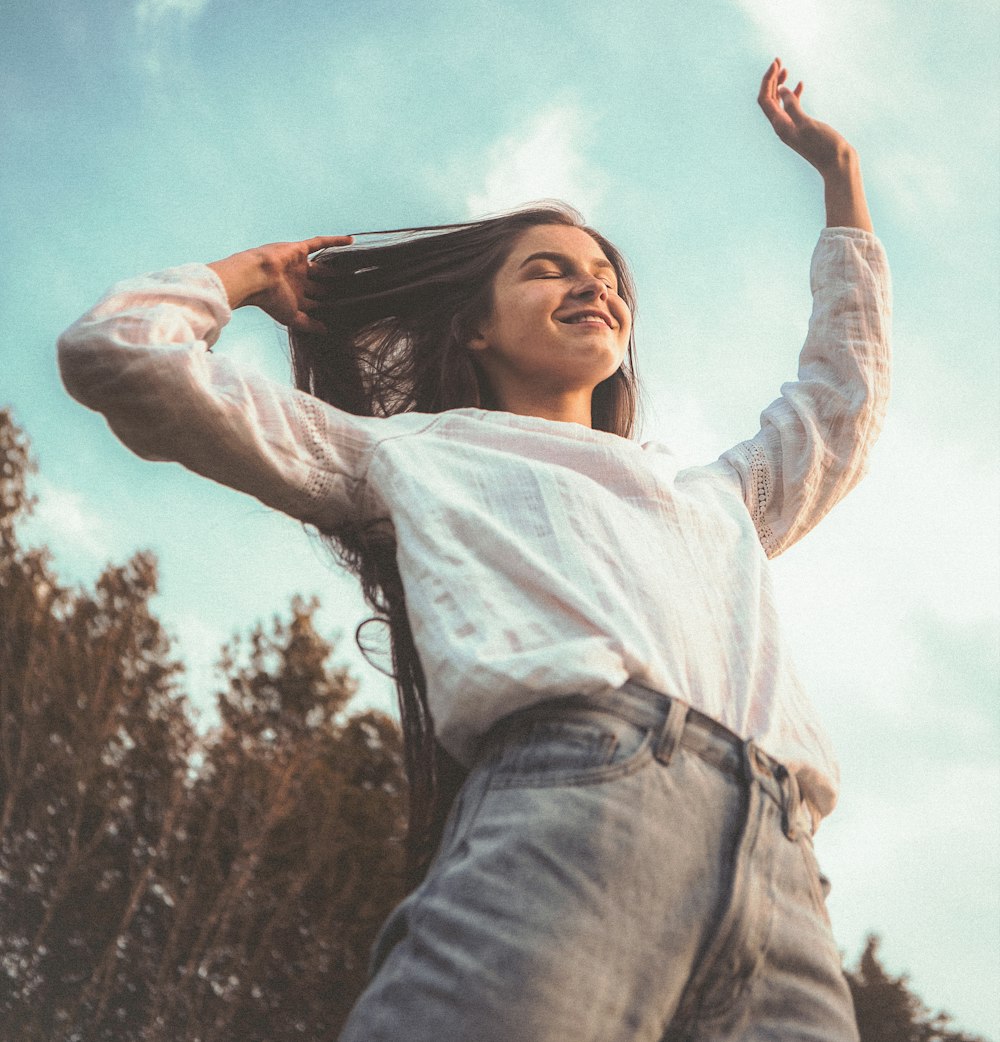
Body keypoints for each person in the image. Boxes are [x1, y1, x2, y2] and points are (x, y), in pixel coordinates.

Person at [57, 60, 890, 1041]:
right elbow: (120, 353)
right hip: (583, 803)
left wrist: (840, 177)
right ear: (477, 327)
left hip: (785, 877)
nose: (593, 282)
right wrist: (244, 274)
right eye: (548, 267)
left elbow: (842, 397)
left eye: (606, 275)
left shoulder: (716, 493)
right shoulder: (410, 453)